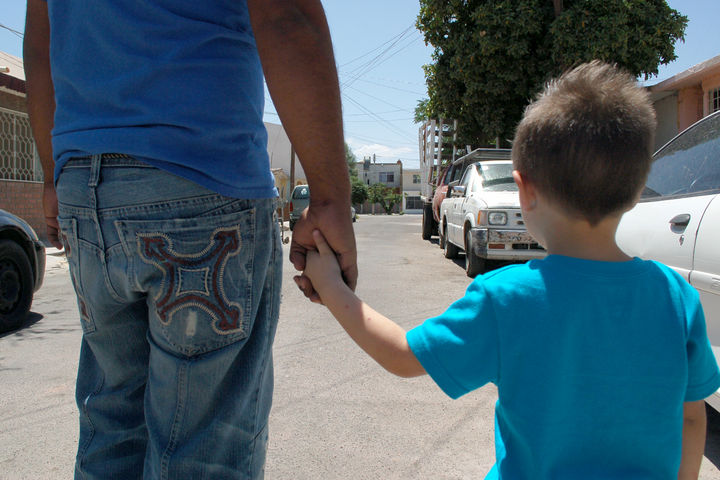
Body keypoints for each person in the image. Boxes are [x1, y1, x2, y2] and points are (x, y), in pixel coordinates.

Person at [303, 61, 720, 480]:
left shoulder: (506, 298)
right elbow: (691, 417)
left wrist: (331, 285)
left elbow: (402, 355)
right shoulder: (677, 297)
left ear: (525, 191)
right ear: (636, 190)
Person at [23, 0, 356, 478]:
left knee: (111, 424)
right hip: (202, 177)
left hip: (84, 188)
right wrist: (329, 198)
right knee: (203, 452)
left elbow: (41, 39)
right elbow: (286, 15)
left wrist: (52, 177)